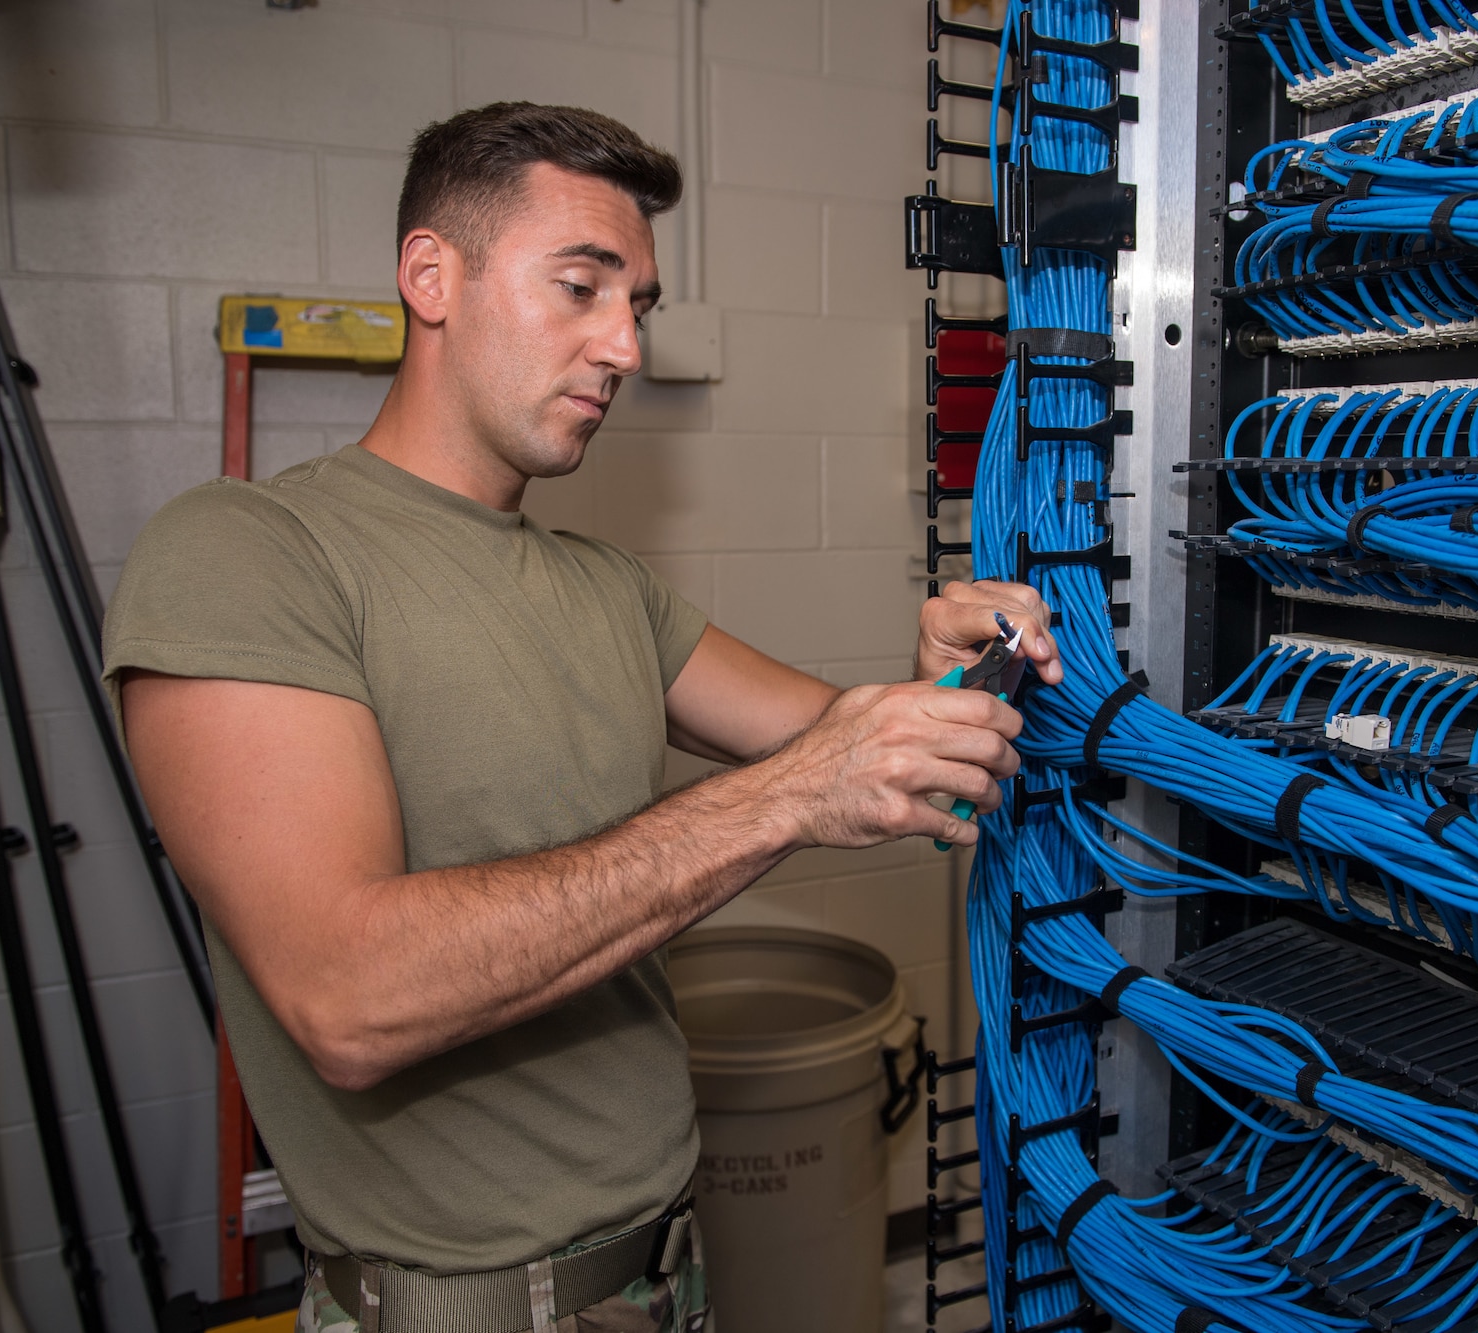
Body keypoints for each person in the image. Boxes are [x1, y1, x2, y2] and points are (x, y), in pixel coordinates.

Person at [102, 102, 1059, 1333]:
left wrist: (943, 687)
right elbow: (347, 997)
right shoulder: (249, 553)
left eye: (640, 305)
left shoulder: (607, 588)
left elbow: (842, 744)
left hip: (667, 1277)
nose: (623, 346)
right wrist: (793, 794)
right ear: (430, 277)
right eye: (580, 288)